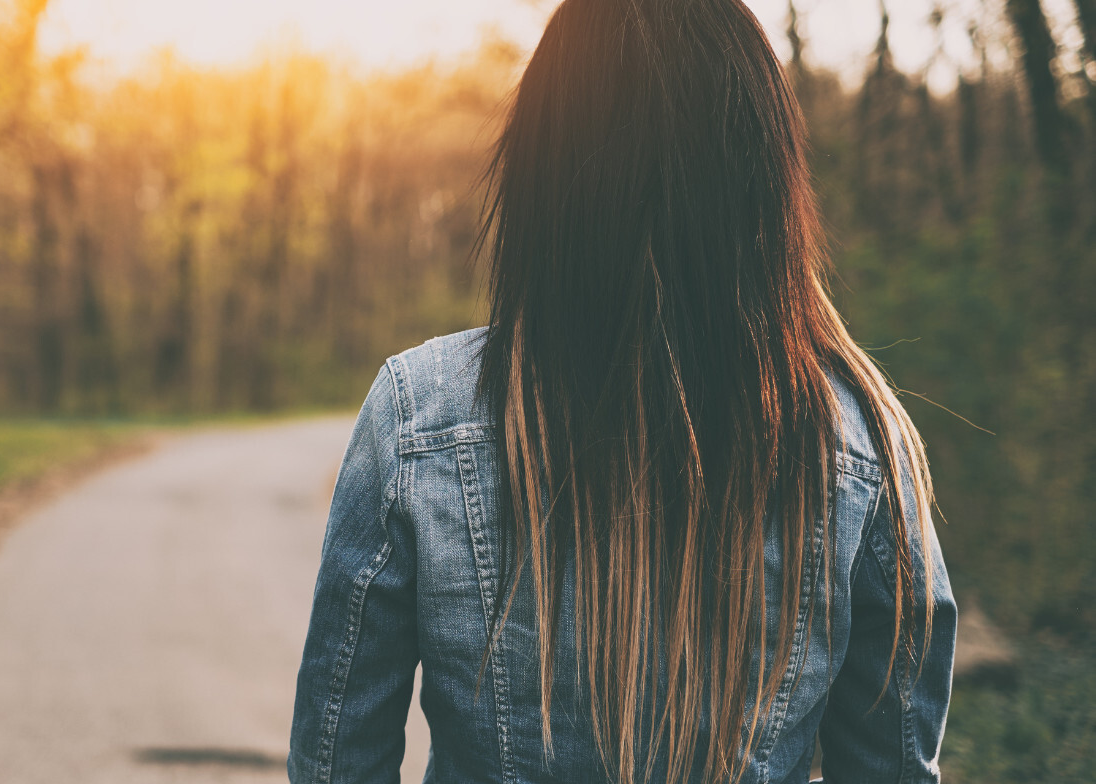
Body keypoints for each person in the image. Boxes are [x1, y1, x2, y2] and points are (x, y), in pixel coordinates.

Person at [287, 1, 957, 782]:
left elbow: (337, 763)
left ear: (543, 171)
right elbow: (895, 768)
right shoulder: (860, 443)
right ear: (763, 180)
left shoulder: (420, 415)